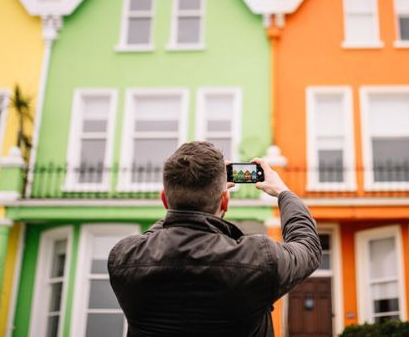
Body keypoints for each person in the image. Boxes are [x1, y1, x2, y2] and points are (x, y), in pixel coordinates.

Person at [107, 141, 322, 336]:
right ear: (225, 202)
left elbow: (157, 233)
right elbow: (308, 246)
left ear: (164, 199)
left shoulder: (124, 257)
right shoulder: (259, 258)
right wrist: (283, 192)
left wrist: (181, 205)